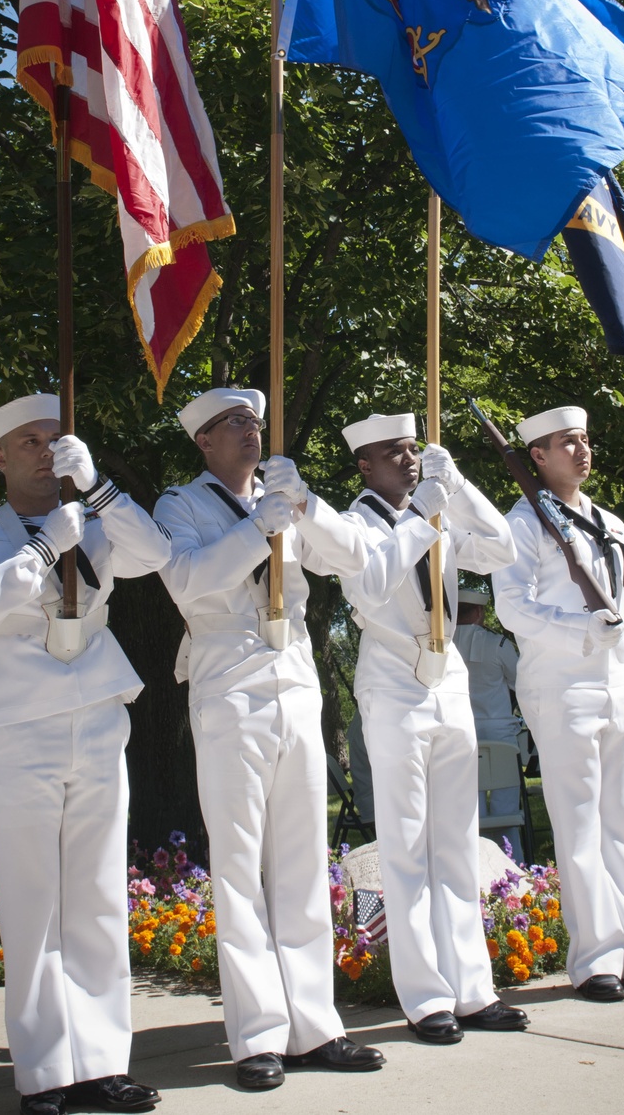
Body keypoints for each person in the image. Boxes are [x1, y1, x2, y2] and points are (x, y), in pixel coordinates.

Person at [0, 393, 172, 1115]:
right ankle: (44, 1074)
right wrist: (43, 548)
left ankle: (100, 1063)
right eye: (28, 441)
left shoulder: (97, 519)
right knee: (33, 904)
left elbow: (156, 554)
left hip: (97, 718)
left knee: (98, 899)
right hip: (21, 730)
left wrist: (99, 487)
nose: (44, 451)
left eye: (54, 438)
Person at [153, 387, 384, 1091]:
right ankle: (257, 1036)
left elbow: (353, 559)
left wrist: (306, 504)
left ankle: (315, 1026)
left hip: (296, 684)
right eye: (234, 424)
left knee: (301, 865)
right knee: (242, 868)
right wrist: (259, 525)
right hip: (230, 691)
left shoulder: (281, 490)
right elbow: (190, 583)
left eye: (255, 421)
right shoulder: (180, 506)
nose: (251, 432)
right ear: (204, 442)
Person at [339, 412, 528, 1045]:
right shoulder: (356, 524)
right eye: (392, 453)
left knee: (455, 840)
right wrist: (423, 513)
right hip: (394, 687)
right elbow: (370, 585)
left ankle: (473, 990)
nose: (407, 460)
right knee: (407, 845)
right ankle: (425, 999)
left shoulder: (436, 507)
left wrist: (461, 485)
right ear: (364, 465)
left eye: (412, 450)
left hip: (447, 685)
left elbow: (502, 547)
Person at [491, 405, 624, 1003]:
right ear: (537, 456)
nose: (581, 451)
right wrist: (577, 630)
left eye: (584, 440)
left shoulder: (610, 522)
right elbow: (512, 606)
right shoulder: (522, 523)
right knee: (579, 826)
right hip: (561, 687)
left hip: (613, 688)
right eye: (566, 442)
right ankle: (595, 959)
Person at [454, 587, 523, 858]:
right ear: (480, 612)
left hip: (462, 734)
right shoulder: (498, 644)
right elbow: (521, 682)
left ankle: (477, 862)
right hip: (501, 736)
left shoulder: (442, 643)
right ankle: (513, 860)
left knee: (472, 810)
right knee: (507, 810)